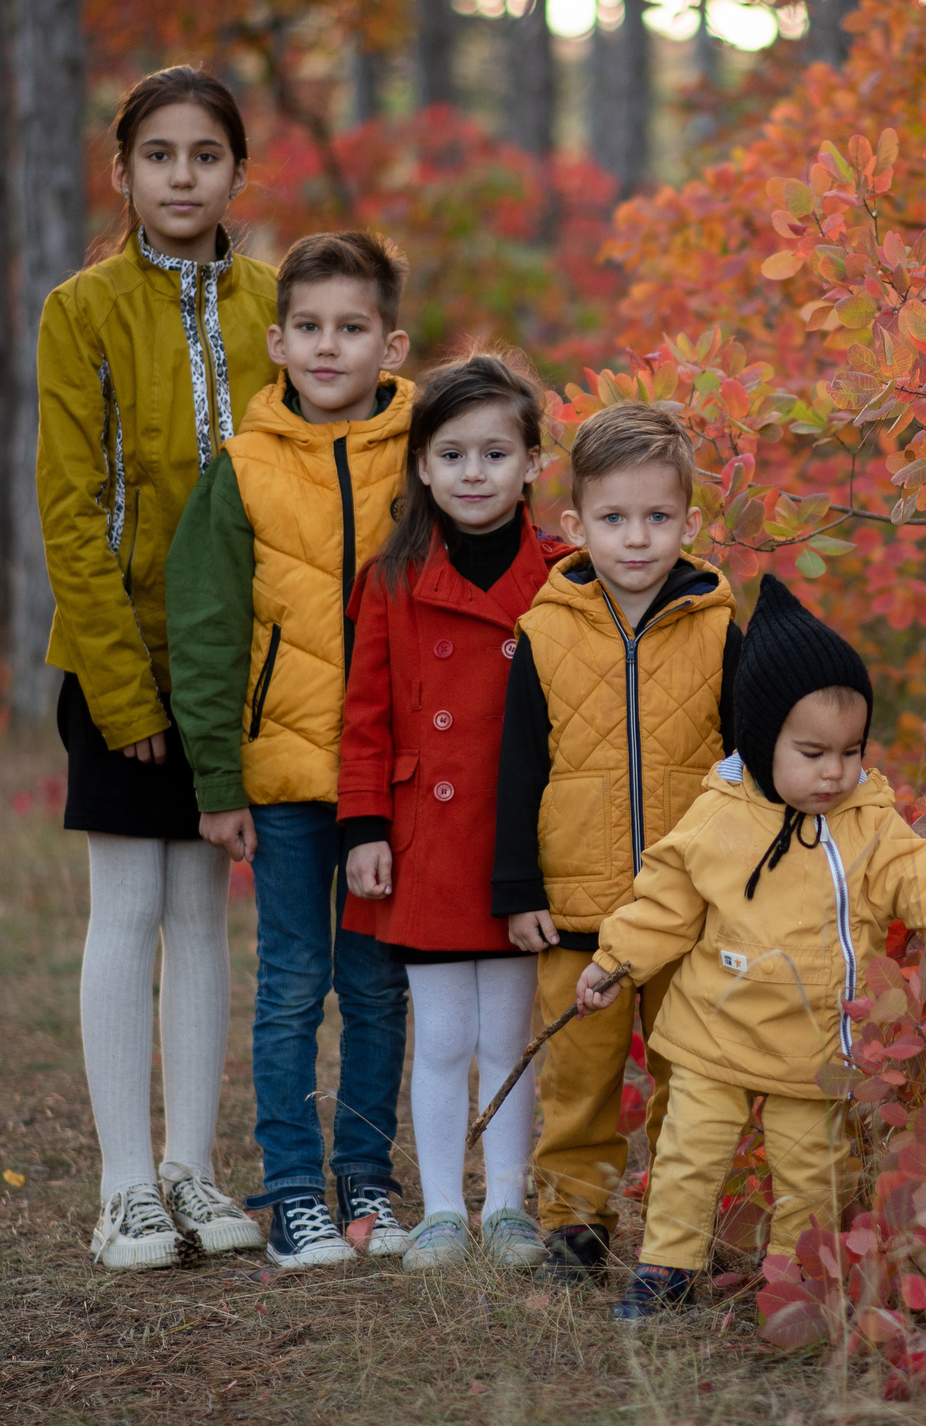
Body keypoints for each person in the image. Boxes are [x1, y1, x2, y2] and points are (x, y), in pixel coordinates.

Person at [576, 575, 926, 1319]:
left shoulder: (868, 824)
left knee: (813, 1171)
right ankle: (668, 1268)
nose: (834, 770)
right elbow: (663, 901)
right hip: (713, 1031)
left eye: (851, 750)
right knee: (689, 1158)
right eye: (813, 751)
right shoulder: (718, 817)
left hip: (814, 1044)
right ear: (762, 743)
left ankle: (797, 1286)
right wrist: (615, 961)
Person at [34, 65, 271, 1270]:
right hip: (118, 660)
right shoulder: (81, 311)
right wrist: (124, 693)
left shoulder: (277, 306)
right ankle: (124, 1185)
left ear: (237, 170)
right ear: (122, 173)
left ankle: (193, 1167)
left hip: (232, 664)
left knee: (204, 912)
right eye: (161, 155)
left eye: (207, 154)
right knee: (129, 906)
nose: (185, 175)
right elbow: (71, 514)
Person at [166, 232, 417, 1269]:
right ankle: (290, 1194)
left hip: (390, 784)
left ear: (389, 343)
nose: (328, 347)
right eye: (308, 327)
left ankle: (365, 1182)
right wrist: (218, 779)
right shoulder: (244, 467)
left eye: (350, 328)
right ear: (275, 339)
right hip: (280, 782)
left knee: (374, 987)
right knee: (288, 983)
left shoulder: (425, 452)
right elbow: (208, 628)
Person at [491, 402, 742, 1285]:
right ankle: (575, 1223)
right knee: (580, 1079)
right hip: (577, 907)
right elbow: (519, 770)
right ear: (575, 524)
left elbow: (750, 769)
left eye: (658, 517)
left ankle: (685, 1229)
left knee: (691, 1072)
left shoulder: (717, 627)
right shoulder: (545, 630)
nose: (637, 539)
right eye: (614, 518)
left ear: (691, 523)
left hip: (692, 910)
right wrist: (518, 887)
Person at [336, 352, 566, 1273]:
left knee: (505, 1036)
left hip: (521, 841)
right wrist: (362, 828)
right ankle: (438, 1207)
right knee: (441, 1036)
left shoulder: (564, 575)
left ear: (531, 465)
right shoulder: (390, 578)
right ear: (422, 466)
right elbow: (361, 712)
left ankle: (507, 1205)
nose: (475, 473)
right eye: (454, 454)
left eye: (496, 453)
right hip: (424, 838)